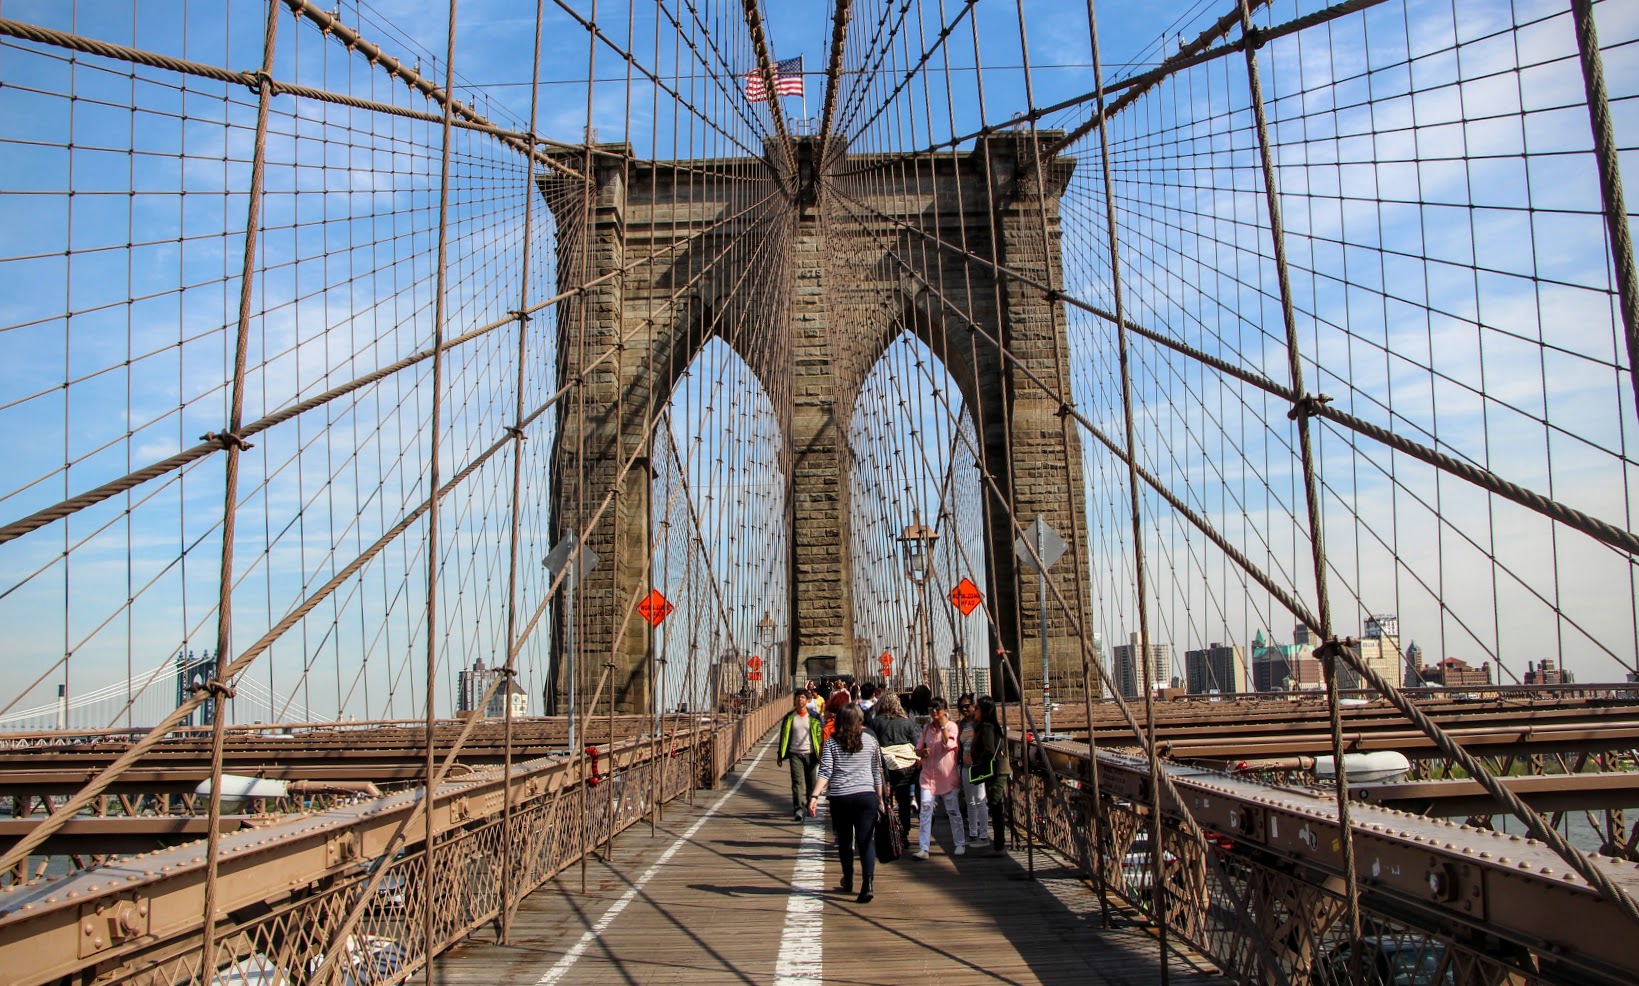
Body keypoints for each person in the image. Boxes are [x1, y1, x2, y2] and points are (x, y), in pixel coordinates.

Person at [809, 703, 885, 904]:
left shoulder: (832, 743)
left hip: (841, 798)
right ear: (859, 720)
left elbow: (824, 772)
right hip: (866, 797)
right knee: (866, 840)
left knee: (844, 841)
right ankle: (867, 884)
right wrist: (881, 799)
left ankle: (849, 878)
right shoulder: (870, 741)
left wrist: (815, 796)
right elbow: (877, 773)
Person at [912, 696, 967, 860]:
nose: (934, 712)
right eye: (931, 709)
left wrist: (943, 725)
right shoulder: (927, 729)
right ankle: (923, 847)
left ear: (944, 710)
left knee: (952, 810)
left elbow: (948, 745)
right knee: (926, 810)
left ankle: (960, 843)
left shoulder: (952, 727)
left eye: (937, 709)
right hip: (928, 776)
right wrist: (922, 752)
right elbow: (918, 749)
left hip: (947, 777)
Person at [866, 692, 919, 841]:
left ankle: (885, 833)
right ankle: (905, 833)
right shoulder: (907, 722)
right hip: (905, 768)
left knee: (883, 800)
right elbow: (915, 744)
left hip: (884, 768)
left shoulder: (876, 722)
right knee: (904, 802)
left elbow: (871, 744)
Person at [970, 695, 1010, 856]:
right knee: (995, 804)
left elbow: (989, 750)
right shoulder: (986, 725)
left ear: (984, 710)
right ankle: (999, 844)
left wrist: (977, 763)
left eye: (977, 708)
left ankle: (999, 845)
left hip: (996, 770)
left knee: (995, 804)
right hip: (996, 769)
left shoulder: (987, 727)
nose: (974, 710)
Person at [777, 688, 823, 822]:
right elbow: (783, 736)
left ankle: (810, 805)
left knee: (811, 782)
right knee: (797, 782)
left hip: (811, 754)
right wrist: (780, 754)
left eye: (803, 697)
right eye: (798, 697)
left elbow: (821, 735)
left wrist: (821, 751)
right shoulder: (789, 717)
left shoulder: (814, 717)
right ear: (794, 700)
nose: (800, 700)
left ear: (807, 700)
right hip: (795, 753)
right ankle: (798, 809)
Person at [956, 693, 989, 846]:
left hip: (978, 766)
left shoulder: (980, 723)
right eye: (961, 707)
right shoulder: (961, 725)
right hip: (966, 766)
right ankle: (973, 833)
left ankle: (983, 835)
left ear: (973, 706)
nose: (964, 709)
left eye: (967, 706)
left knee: (981, 800)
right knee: (970, 801)